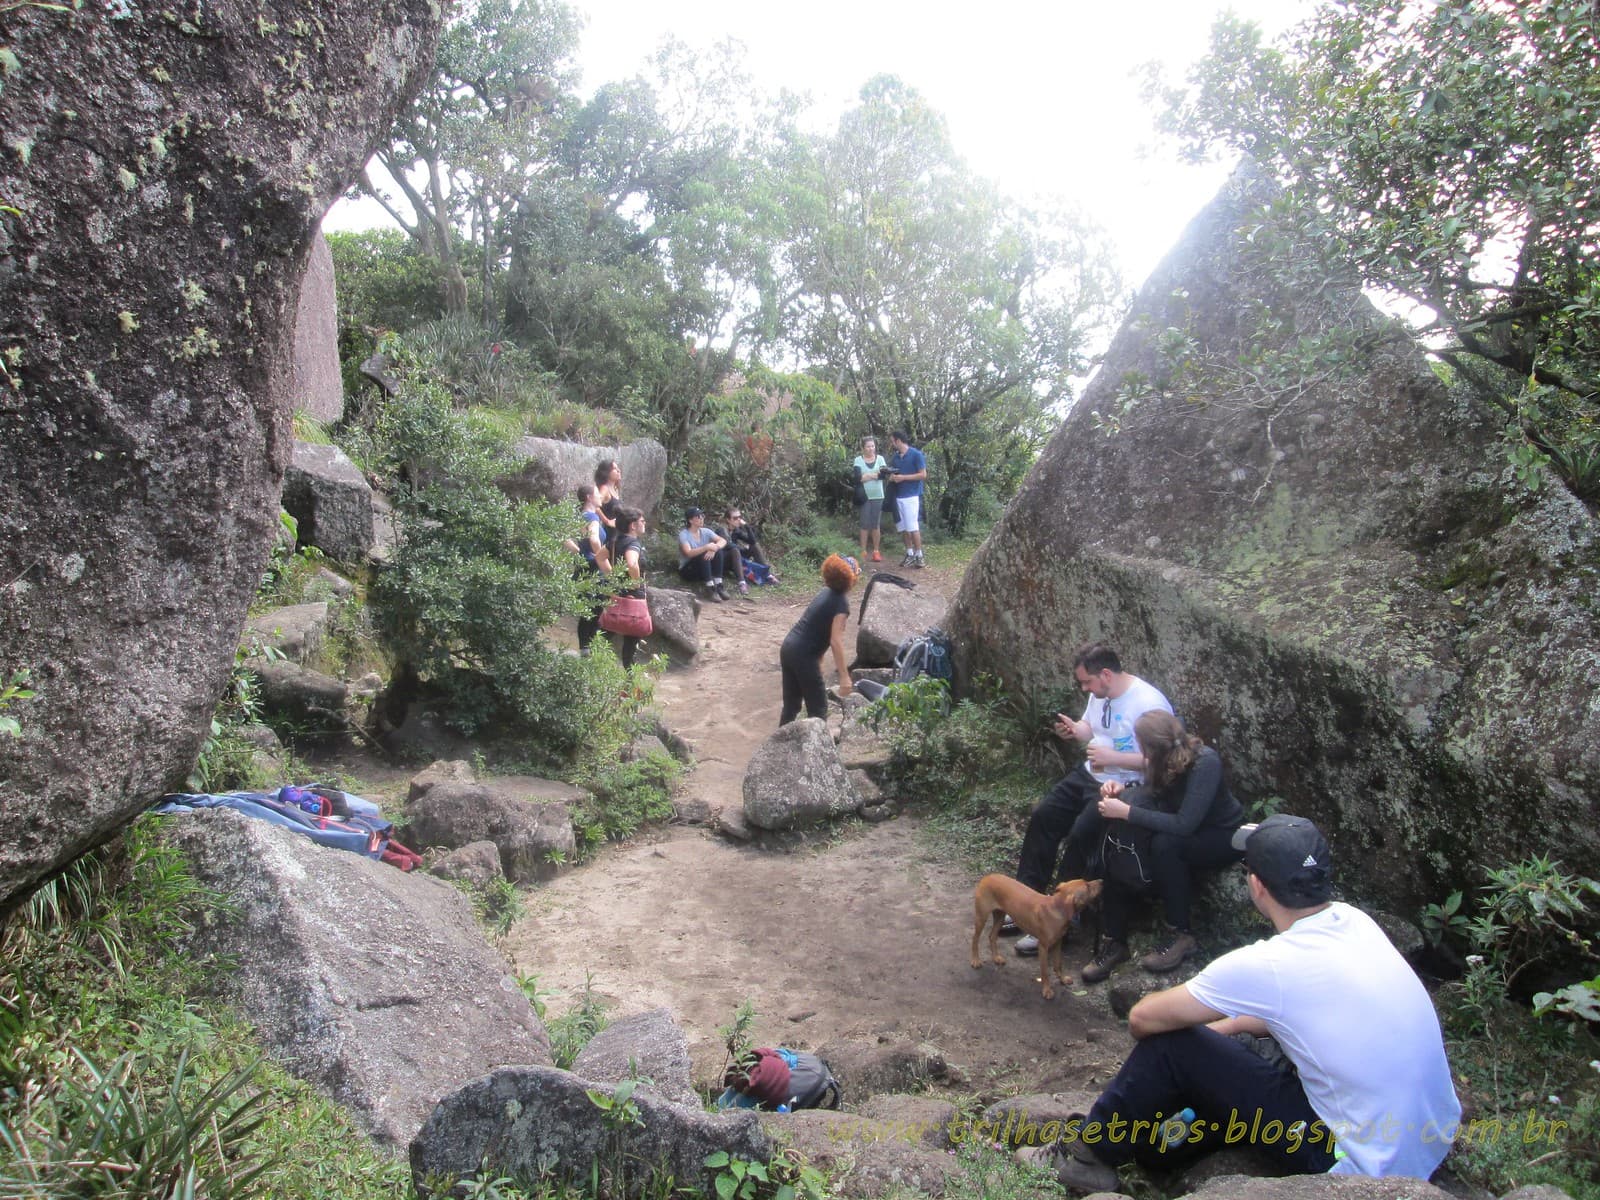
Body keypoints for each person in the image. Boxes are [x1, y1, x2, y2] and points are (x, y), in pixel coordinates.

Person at [1020, 815, 1460, 1193]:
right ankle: (1162, 1150)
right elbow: (1302, 1010)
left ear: (1256, 885)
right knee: (1232, 1052)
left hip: (1351, 1162)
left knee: (1171, 1047)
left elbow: (1143, 1018)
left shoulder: (1268, 963)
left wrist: (1199, 1038)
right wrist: (1226, 1030)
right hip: (1426, 1139)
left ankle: (1087, 1155)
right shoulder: (1356, 922)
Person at [1010, 643, 1173, 956]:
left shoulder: (1149, 703)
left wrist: (1115, 757)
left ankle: (1059, 923)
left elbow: (1164, 760)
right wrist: (1075, 730)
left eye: (1087, 682)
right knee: (1044, 817)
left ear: (1107, 674)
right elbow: (1091, 730)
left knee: (1081, 836)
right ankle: (1023, 906)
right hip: (1087, 775)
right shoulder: (1100, 694)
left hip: (1123, 785)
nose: (1085, 687)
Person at [1082, 711, 1244, 981]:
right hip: (1182, 824)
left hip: (1221, 834)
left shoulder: (1205, 762)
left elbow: (1185, 824)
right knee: (1118, 831)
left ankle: (1180, 933)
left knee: (1166, 845)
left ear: (1151, 746)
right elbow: (1154, 795)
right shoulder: (1161, 760)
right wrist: (1121, 793)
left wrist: (1127, 811)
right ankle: (1115, 938)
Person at [779, 553, 858, 725]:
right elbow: (835, 641)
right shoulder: (841, 604)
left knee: (791, 706)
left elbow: (816, 626)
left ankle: (780, 746)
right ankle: (816, 749)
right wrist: (844, 677)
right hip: (803, 656)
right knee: (818, 709)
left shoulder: (825, 592)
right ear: (851, 578)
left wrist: (819, 660)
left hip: (789, 647)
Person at [570, 482, 610, 654]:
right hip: (594, 568)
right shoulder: (592, 518)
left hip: (584, 567)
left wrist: (579, 552)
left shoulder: (580, 515)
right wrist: (601, 557)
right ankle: (589, 650)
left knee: (588, 610)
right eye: (597, 494)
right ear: (589, 498)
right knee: (595, 610)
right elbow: (594, 540)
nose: (600, 497)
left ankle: (585, 649)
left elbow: (564, 537)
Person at [608, 506, 648, 669]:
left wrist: (612, 575)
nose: (645, 523)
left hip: (616, 592)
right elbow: (632, 562)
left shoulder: (615, 541)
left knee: (610, 628)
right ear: (633, 525)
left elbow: (601, 557)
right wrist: (636, 583)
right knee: (632, 638)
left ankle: (596, 665)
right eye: (642, 521)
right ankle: (630, 681)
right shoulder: (633, 543)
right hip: (633, 596)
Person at [887, 430, 927, 568]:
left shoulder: (916, 454)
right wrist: (892, 477)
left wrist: (904, 478)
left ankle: (919, 555)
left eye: (893, 441)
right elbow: (892, 474)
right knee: (904, 527)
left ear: (898, 441)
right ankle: (909, 553)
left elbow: (923, 475)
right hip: (898, 496)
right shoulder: (896, 457)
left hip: (911, 496)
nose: (892, 444)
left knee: (913, 527)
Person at [677, 506, 731, 603]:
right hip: (688, 570)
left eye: (702, 516)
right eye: (698, 516)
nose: (701, 518)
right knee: (703, 553)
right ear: (690, 520)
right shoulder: (684, 535)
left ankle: (719, 585)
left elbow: (722, 540)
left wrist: (714, 548)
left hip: (704, 568)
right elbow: (688, 553)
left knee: (718, 550)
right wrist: (706, 547)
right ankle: (710, 588)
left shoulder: (705, 531)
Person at [720, 506, 778, 588]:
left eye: (740, 517)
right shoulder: (721, 530)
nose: (739, 520)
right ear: (728, 520)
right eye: (735, 518)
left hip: (738, 557)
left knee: (754, 546)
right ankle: (742, 582)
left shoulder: (736, 531)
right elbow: (726, 544)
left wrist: (747, 526)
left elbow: (753, 541)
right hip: (726, 560)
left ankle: (768, 575)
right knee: (735, 550)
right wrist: (737, 548)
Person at [853, 436, 887, 563]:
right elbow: (857, 478)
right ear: (863, 448)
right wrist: (875, 475)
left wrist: (867, 475)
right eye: (868, 446)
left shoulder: (880, 459)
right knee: (864, 524)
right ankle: (863, 551)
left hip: (878, 495)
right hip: (864, 496)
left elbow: (883, 475)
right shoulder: (858, 460)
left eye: (872, 446)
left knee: (875, 524)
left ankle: (876, 551)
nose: (871, 448)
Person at [594, 459, 623, 541]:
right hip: (609, 534)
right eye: (614, 469)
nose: (618, 470)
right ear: (606, 472)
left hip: (617, 533)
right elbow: (594, 504)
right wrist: (606, 521)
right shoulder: (605, 489)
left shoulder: (615, 489)